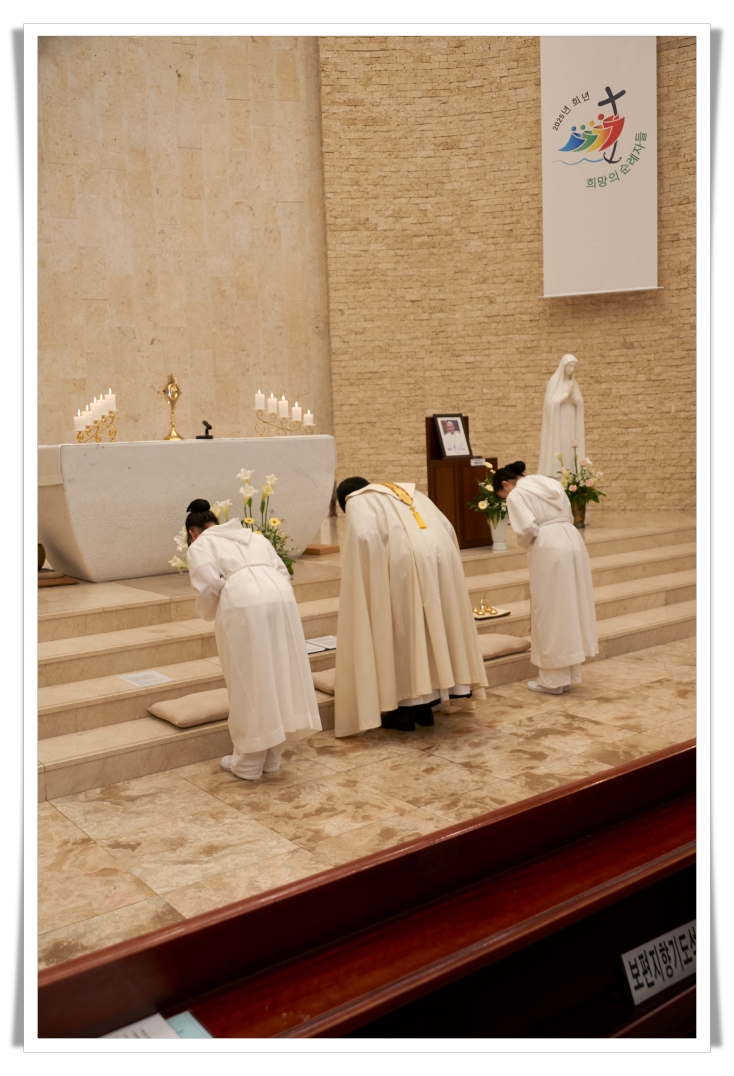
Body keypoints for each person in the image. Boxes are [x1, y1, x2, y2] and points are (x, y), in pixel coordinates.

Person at [333, 478, 488, 734]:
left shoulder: (358, 500)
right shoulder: (412, 494)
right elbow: (447, 527)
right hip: (440, 558)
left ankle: (404, 710)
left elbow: (363, 537)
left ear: (344, 501)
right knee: (429, 626)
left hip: (402, 565)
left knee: (401, 630)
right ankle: (426, 705)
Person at [184, 498, 321, 779]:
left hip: (245, 601)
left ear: (192, 533)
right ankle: (272, 757)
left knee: (248, 678)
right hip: (280, 597)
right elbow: (282, 572)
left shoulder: (201, 544)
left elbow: (209, 585)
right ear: (215, 522)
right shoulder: (254, 536)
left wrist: (209, 611)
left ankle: (248, 761)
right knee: (279, 672)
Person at [494, 463, 598, 694]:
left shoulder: (517, 493)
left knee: (551, 610)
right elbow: (569, 515)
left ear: (506, 484)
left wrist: (526, 545)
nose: (507, 498)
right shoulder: (551, 483)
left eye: (503, 495)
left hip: (549, 545)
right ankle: (566, 675)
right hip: (572, 540)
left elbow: (526, 530)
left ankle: (552, 681)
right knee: (568, 608)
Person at [537, 354, 585, 478]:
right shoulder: (554, 381)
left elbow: (579, 402)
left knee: (571, 445)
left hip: (571, 417)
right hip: (559, 419)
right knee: (562, 443)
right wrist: (566, 395)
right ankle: (559, 474)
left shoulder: (572, 383)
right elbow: (549, 404)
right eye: (570, 366)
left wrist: (573, 397)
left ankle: (571, 473)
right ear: (563, 366)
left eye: (574, 367)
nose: (572, 369)